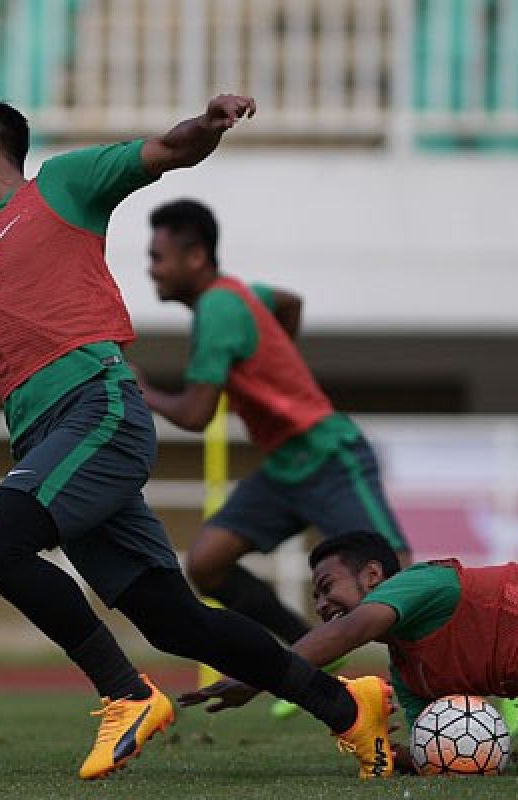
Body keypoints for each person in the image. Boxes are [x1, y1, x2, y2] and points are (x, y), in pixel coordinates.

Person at [0, 93, 394, 781]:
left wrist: (207, 127)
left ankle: (126, 693)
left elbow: (167, 150)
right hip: (49, 445)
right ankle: (351, 710)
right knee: (178, 623)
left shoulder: (61, 186)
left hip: (99, 413)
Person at [181, 531, 518, 775]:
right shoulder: (410, 670)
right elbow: (437, 748)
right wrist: (381, 754)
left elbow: (348, 633)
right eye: (317, 598)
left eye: (328, 587)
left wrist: (259, 676)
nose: (324, 605)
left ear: (374, 574)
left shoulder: (415, 585)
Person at [135, 199, 411, 659]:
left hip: (328, 457)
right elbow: (289, 301)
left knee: (399, 579)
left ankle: (506, 667)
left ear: (196, 257)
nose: (151, 270)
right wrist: (272, 361)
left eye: (158, 258)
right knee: (207, 563)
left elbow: (196, 415)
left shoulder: (217, 308)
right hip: (285, 466)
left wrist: (145, 394)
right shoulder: (238, 294)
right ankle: (307, 649)